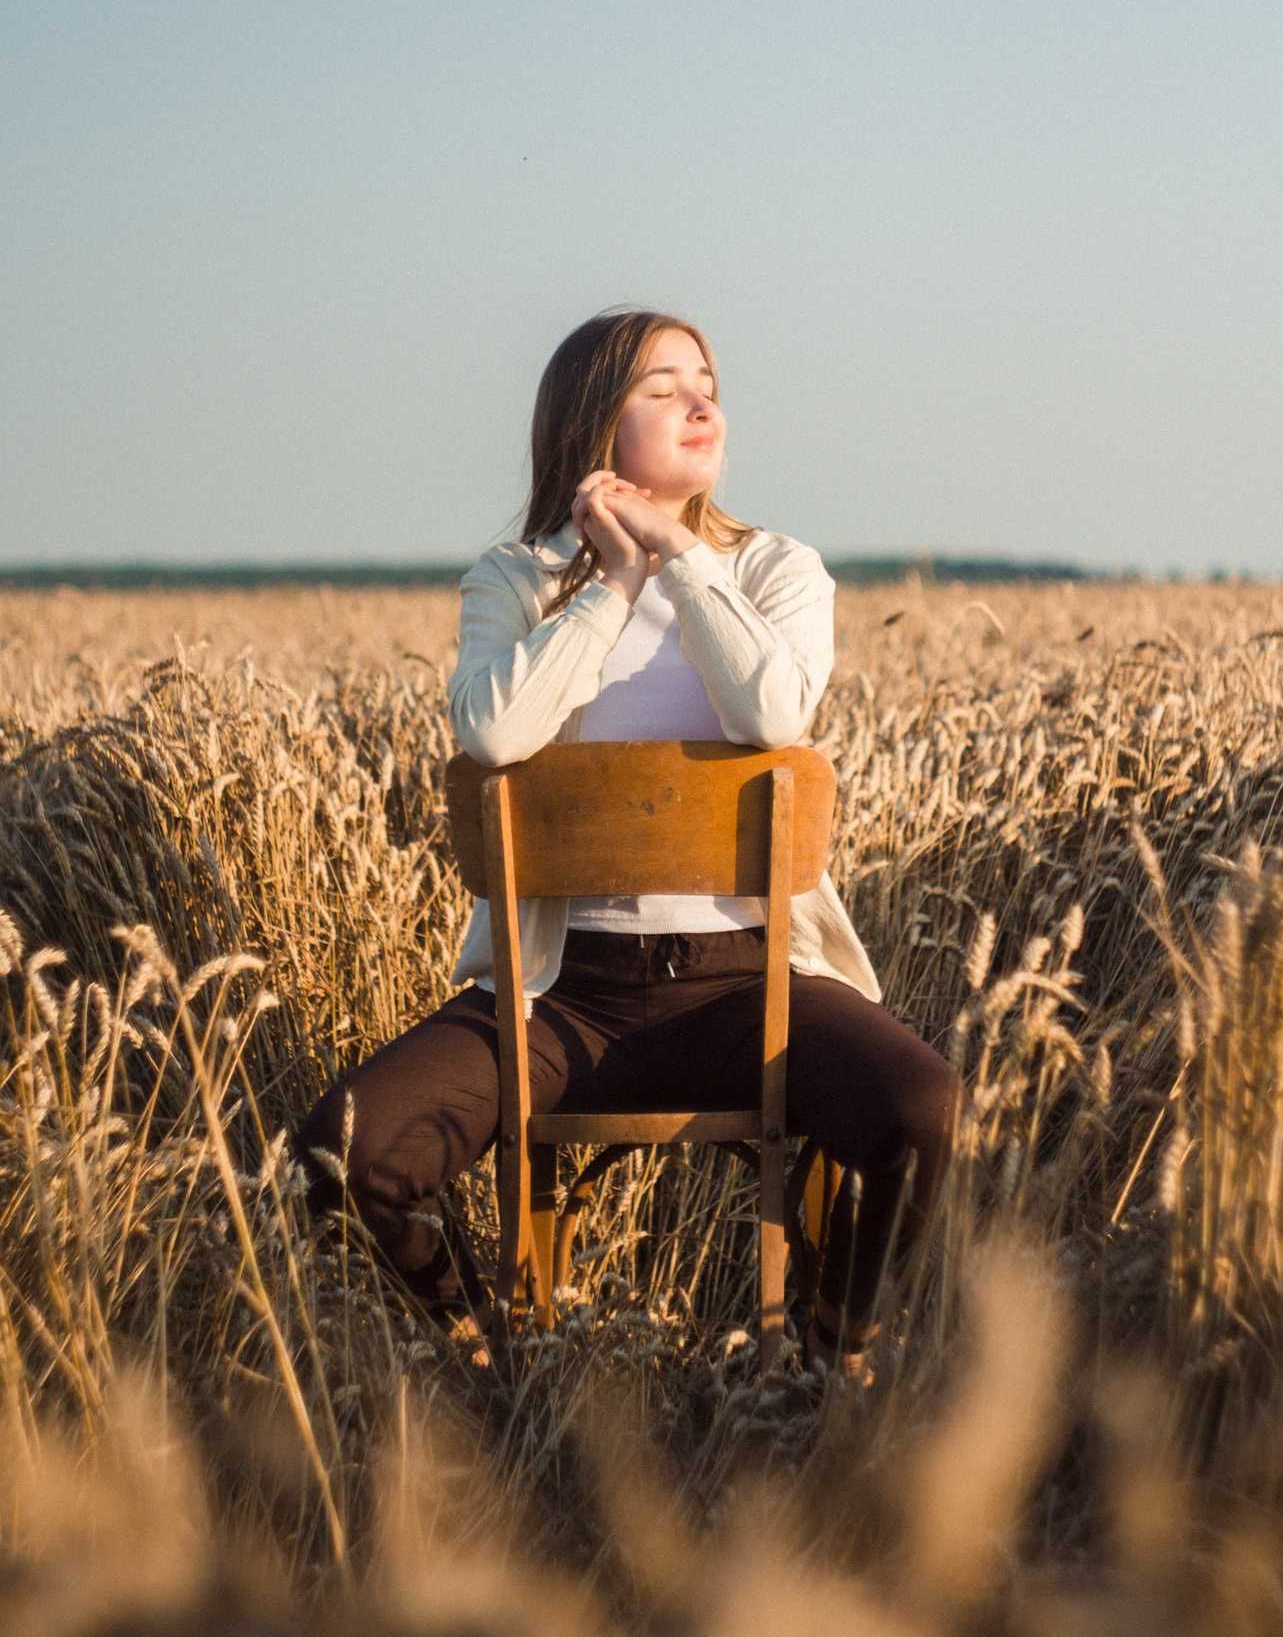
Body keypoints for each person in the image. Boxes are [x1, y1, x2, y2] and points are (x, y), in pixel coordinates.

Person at [295, 307, 966, 1376]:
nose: (703, 402)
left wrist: (681, 556)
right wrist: (612, 584)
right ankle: (488, 1367)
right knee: (346, 1147)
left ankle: (826, 1366)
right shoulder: (514, 580)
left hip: (748, 987)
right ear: (591, 418)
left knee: (921, 1106)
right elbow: (493, 730)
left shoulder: (777, 569)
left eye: (707, 379)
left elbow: (774, 716)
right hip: (558, 997)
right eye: (663, 386)